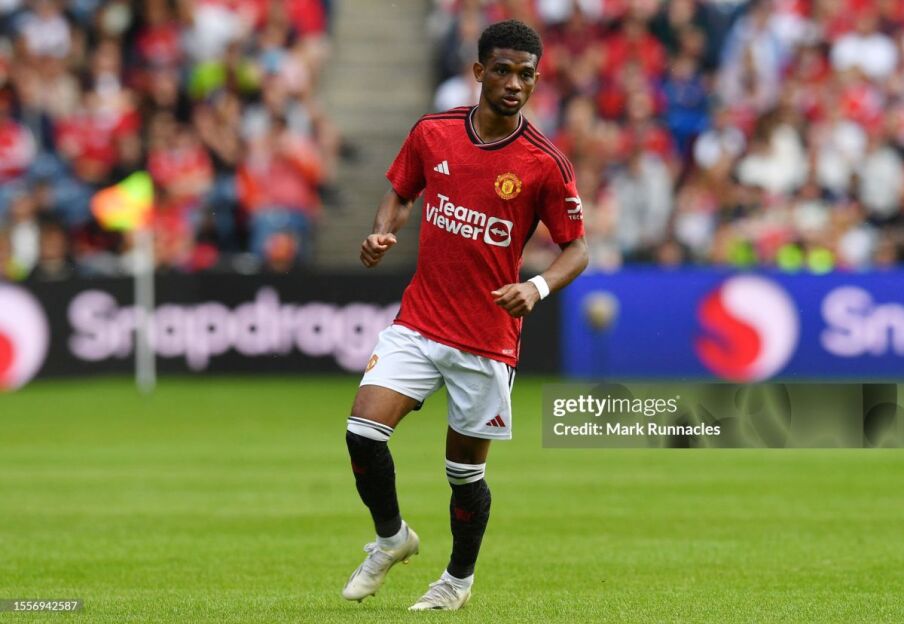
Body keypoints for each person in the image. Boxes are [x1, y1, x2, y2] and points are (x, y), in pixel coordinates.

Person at [341, 20, 589, 611]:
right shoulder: (434, 132)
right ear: (479, 72)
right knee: (362, 434)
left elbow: (577, 249)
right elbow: (402, 192)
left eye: (526, 74)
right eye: (502, 70)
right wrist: (381, 232)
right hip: (420, 322)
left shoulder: (544, 163)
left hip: (486, 339)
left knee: (464, 475)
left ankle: (456, 580)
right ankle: (391, 538)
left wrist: (536, 287)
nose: (514, 83)